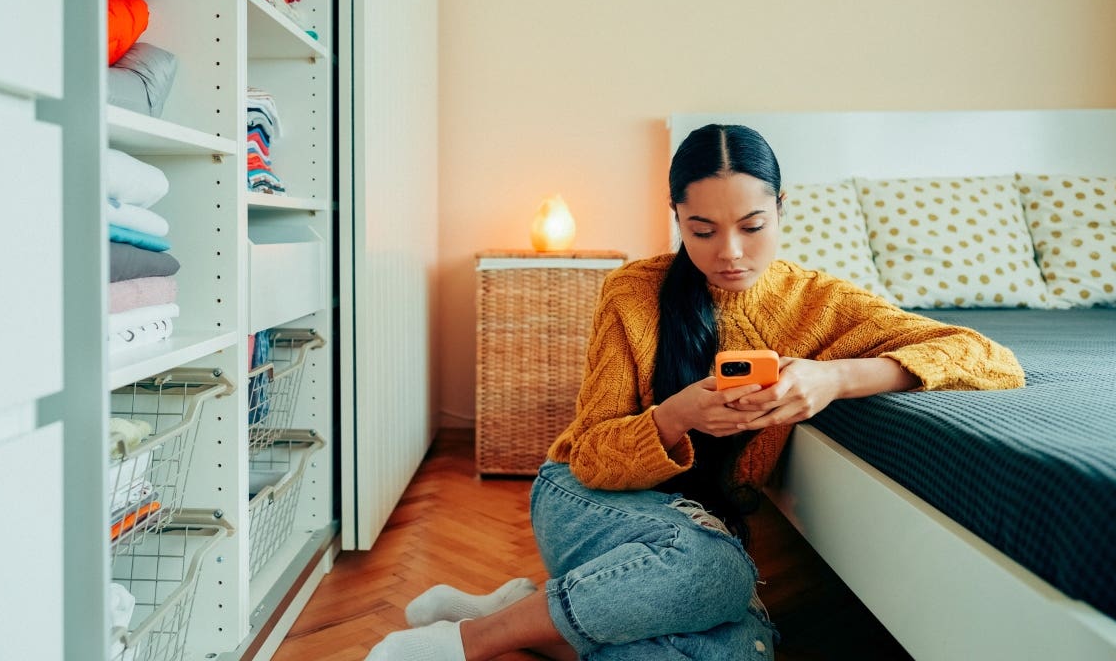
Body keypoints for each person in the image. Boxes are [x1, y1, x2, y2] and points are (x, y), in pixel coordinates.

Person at [367, 124, 1025, 660]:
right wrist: (678, 414)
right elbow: (591, 453)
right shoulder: (634, 290)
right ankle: (469, 641)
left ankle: (531, 611)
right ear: (677, 217)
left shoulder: (822, 303)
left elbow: (989, 357)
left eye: (753, 224)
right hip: (585, 497)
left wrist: (832, 377)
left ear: (782, 209)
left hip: (701, 526)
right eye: (703, 230)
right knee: (716, 572)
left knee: (742, 652)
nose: (730, 252)